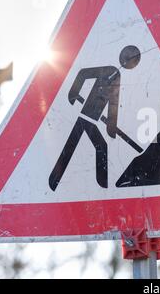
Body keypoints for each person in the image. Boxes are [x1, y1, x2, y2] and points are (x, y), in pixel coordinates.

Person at [48, 45, 141, 191]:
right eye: (130, 58)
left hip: (91, 120)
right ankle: (55, 180)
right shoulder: (110, 70)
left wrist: (111, 125)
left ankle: (101, 186)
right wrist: (74, 93)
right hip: (85, 117)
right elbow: (83, 74)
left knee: (91, 146)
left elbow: (113, 104)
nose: (130, 62)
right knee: (78, 146)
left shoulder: (116, 76)